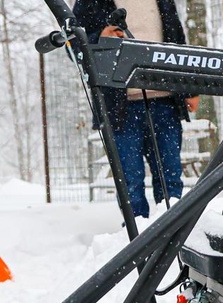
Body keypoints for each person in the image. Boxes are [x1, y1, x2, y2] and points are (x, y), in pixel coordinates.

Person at [73, 0, 199, 218]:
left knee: (170, 179)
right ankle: (137, 240)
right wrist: (100, 38)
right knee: (130, 182)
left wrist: (189, 87)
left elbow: (177, 38)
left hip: (166, 100)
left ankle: (173, 237)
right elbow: (74, 42)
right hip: (119, 107)